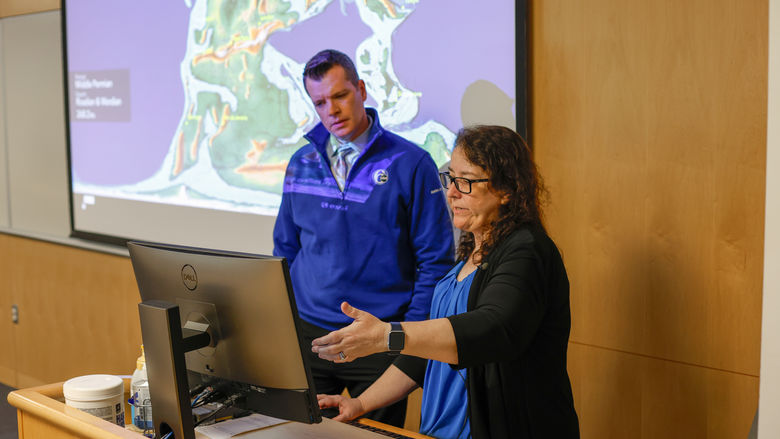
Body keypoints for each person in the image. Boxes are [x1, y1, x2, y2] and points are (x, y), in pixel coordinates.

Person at [312, 125, 580, 439]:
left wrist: (387, 334)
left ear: (507, 190)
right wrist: (360, 404)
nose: (452, 192)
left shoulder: (527, 251)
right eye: (451, 178)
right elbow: (425, 354)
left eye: (466, 181)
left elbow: (491, 329)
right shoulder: (472, 249)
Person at [273, 49, 454, 427]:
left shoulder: (412, 163)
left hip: (378, 337)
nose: (331, 111)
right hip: (307, 337)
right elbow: (285, 250)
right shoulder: (300, 163)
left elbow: (435, 261)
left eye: (340, 96)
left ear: (362, 89)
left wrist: (409, 338)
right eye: (320, 102)